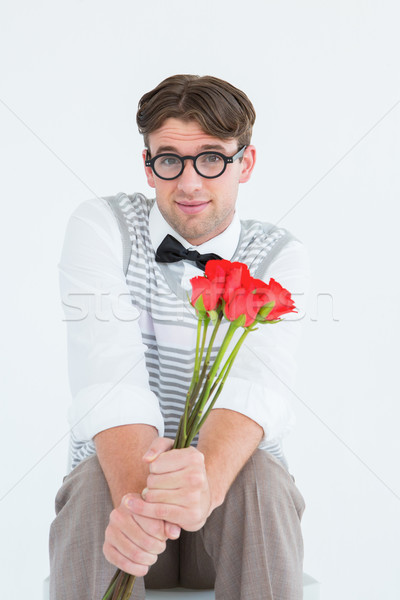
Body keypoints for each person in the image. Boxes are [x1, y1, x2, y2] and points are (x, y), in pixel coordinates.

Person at [49, 74, 309, 600]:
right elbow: (109, 377)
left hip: (232, 508)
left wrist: (203, 489)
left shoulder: (279, 253)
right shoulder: (103, 226)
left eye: (211, 158)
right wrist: (139, 515)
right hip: (128, 513)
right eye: (169, 159)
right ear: (148, 166)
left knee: (260, 476)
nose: (189, 183)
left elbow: (254, 391)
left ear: (246, 164)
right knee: (94, 480)